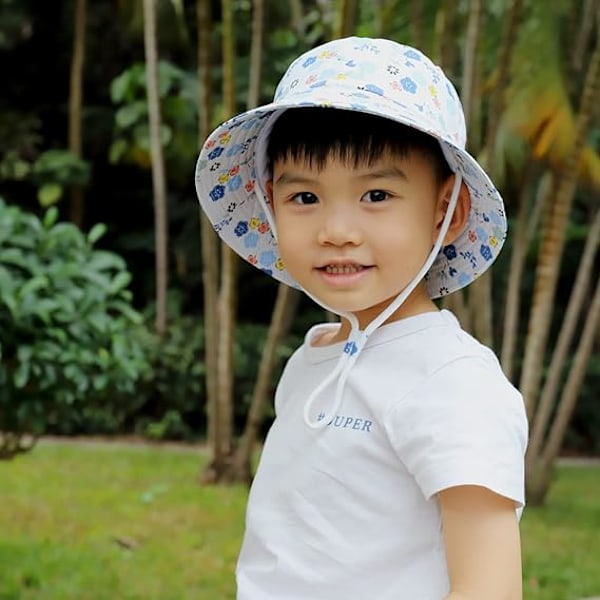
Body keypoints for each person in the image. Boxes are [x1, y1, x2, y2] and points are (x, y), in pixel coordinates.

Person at [195, 36, 528, 600]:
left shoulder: (452, 382)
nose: (337, 230)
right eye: (306, 198)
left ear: (449, 211)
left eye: (376, 194)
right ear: (271, 202)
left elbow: (488, 586)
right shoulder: (314, 356)